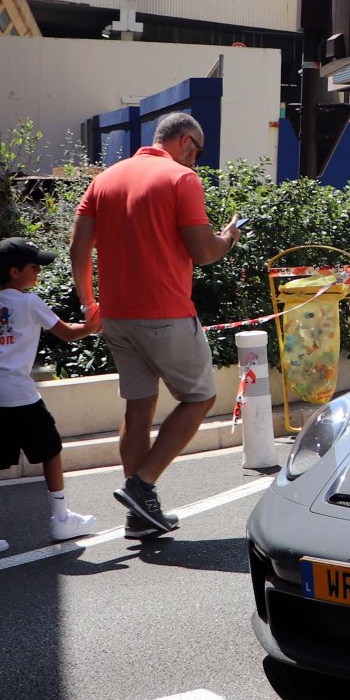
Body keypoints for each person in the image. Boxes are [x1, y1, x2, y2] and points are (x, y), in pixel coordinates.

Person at [69, 113, 242, 538]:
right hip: (165, 313)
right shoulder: (181, 180)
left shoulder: (106, 179)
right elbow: (203, 252)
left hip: (116, 316)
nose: (197, 163)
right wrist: (229, 236)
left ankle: (139, 516)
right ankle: (140, 484)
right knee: (200, 397)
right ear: (185, 141)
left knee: (138, 407)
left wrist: (91, 303)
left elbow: (77, 248)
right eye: (197, 152)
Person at [0, 239, 101, 555]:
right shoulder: (30, 303)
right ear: (14, 271)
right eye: (33, 266)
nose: (37, 271)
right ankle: (61, 518)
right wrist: (93, 326)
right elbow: (67, 332)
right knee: (51, 449)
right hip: (19, 395)